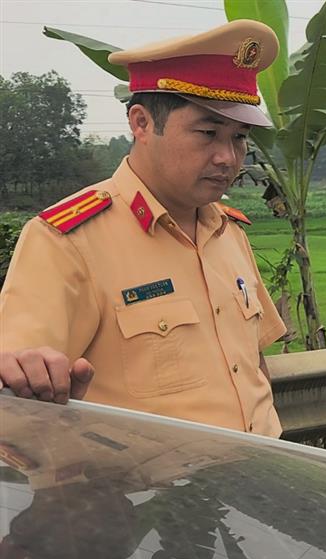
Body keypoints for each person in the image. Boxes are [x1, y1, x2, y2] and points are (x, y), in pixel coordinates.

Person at [0, 20, 287, 436]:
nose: (227, 157)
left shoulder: (229, 233)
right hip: (152, 496)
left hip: (262, 478)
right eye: (208, 133)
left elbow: (252, 364)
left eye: (239, 138)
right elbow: (21, 385)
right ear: (141, 123)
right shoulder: (66, 242)